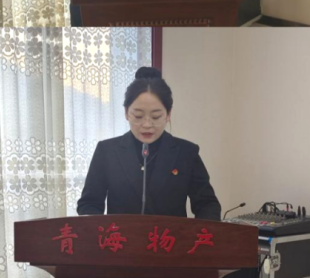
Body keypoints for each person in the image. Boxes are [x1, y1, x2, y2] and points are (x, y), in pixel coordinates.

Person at [77, 66, 221, 220]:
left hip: (171, 235)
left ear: (168, 114)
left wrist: (199, 231)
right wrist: (100, 229)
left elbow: (207, 205)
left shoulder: (187, 153)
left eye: (156, 117)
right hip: (121, 235)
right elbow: (89, 204)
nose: (147, 125)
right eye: (138, 116)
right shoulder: (107, 151)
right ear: (126, 113)